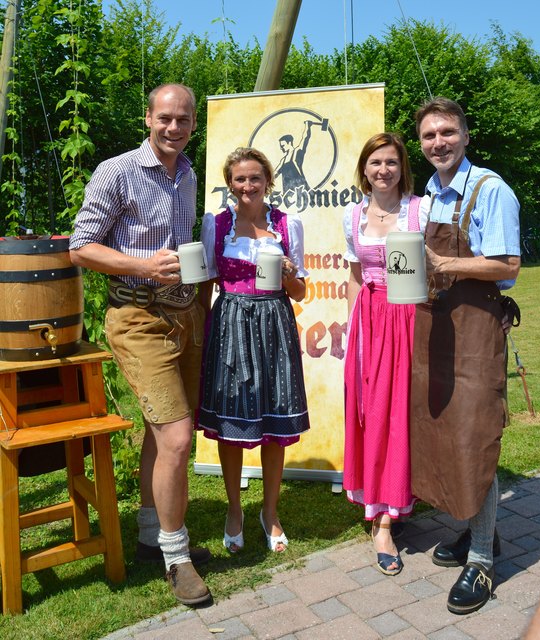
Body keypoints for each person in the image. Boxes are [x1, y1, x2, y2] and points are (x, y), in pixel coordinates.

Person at [69, 83, 212, 606]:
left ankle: (152, 536)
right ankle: (178, 557)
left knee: (164, 428)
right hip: (135, 315)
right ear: (147, 117)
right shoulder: (117, 171)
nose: (174, 128)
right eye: (166, 118)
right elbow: (80, 247)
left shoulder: (189, 173)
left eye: (184, 120)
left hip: (183, 313)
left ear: (193, 123)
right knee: (177, 436)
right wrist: (143, 265)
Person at [411, 97, 520, 614]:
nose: (439, 143)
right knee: (444, 434)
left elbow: (507, 264)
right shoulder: (428, 193)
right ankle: (481, 529)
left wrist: (443, 262)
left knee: (474, 437)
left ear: (466, 135)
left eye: (447, 132)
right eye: (430, 135)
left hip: (475, 329)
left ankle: (481, 558)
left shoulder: (489, 189)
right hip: (435, 327)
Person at [197, 147, 310, 554]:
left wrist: (289, 276)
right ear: (230, 183)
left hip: (275, 325)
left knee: (274, 423)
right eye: (240, 179)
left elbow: (300, 292)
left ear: (268, 182)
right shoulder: (217, 224)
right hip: (229, 325)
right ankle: (233, 509)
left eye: (255, 178)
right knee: (232, 419)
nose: (248, 186)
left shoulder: (287, 225)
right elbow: (206, 282)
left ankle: (270, 510)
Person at [342, 132, 426, 576]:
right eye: (375, 162)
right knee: (371, 411)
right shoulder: (352, 214)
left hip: (409, 319)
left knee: (401, 414)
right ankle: (377, 503)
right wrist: (351, 330)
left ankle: (390, 516)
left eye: (391, 162)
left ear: (401, 167)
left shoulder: (419, 210)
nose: (383, 170)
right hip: (369, 320)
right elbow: (355, 276)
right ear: (364, 167)